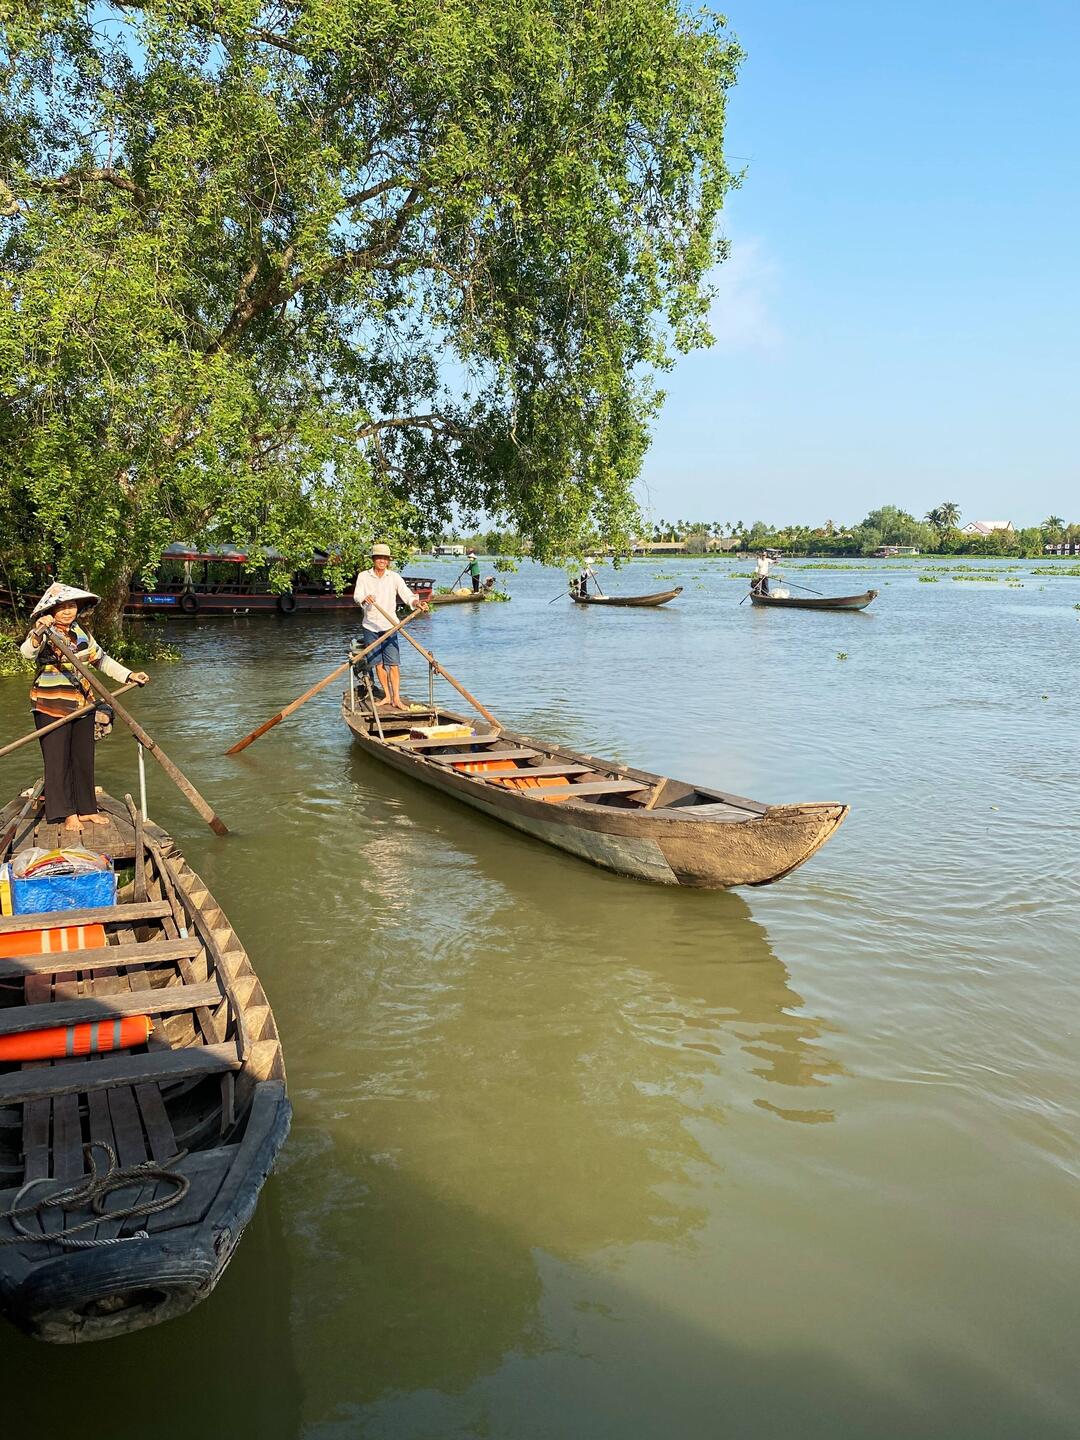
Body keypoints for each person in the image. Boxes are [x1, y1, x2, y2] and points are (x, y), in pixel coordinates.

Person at [19, 583, 149, 832]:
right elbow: (27, 653)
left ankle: (87, 809)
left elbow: (101, 660)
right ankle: (66, 813)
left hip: (83, 703)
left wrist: (130, 675)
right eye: (62, 607)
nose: (68, 612)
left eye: (71, 606)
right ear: (52, 611)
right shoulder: (44, 631)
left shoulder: (82, 632)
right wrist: (38, 632)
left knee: (83, 758)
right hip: (51, 705)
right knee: (58, 761)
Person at [352, 544, 429, 709]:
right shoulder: (363, 576)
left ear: (388, 561)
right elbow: (357, 596)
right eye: (379, 557)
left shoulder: (393, 577)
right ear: (373, 559)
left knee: (393, 664)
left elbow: (407, 594)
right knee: (378, 664)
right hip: (370, 626)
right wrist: (365, 599)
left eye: (385, 558)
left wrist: (416, 602)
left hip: (390, 626)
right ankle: (387, 695)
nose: (382, 561)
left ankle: (396, 698)